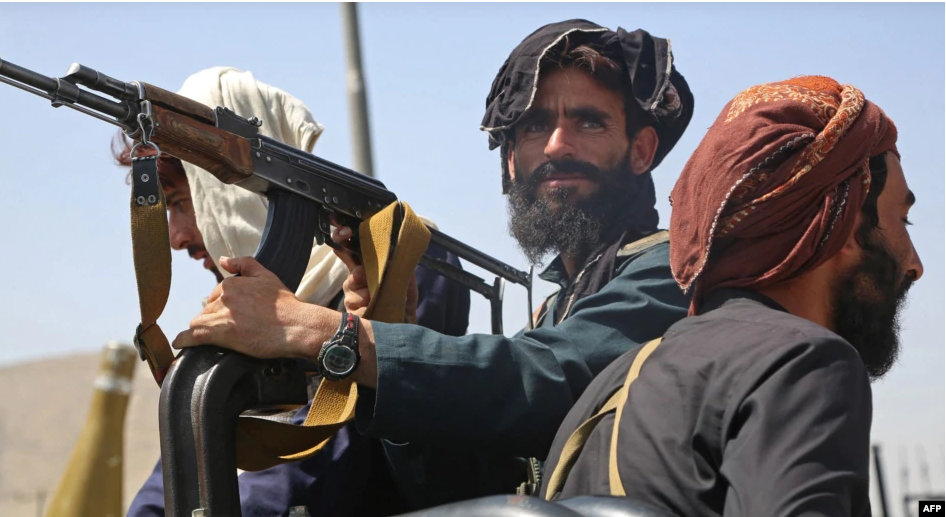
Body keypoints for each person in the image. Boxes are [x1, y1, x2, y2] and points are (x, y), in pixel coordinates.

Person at [171, 20, 695, 507]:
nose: (558, 145)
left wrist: (324, 333)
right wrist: (391, 331)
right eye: (535, 126)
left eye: (589, 122)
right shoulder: (561, 306)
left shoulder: (673, 272)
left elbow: (548, 376)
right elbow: (474, 482)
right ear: (511, 161)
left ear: (641, 150)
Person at [540, 75, 922, 516]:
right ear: (846, 222)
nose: (915, 265)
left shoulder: (610, 385)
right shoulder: (803, 363)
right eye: (902, 221)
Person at [116, 67, 471, 517]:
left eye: (185, 203)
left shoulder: (405, 265)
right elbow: (190, 451)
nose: (177, 237)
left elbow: (318, 455)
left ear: (233, 194)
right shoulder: (242, 317)